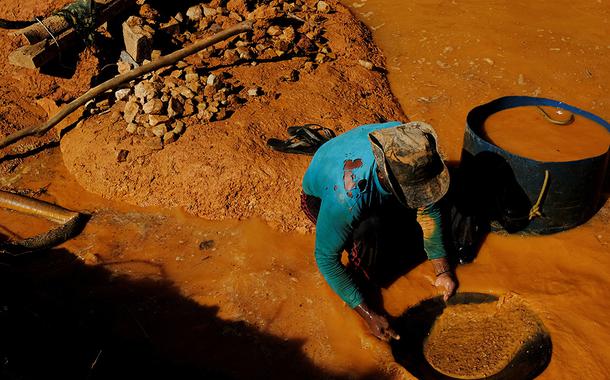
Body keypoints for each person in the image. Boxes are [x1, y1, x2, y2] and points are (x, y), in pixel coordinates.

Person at [300, 121, 457, 341]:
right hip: (322, 197)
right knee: (369, 236)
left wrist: (443, 271)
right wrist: (368, 314)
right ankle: (362, 281)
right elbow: (326, 258)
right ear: (386, 177)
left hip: (368, 182)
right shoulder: (347, 198)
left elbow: (428, 210)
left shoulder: (407, 144)